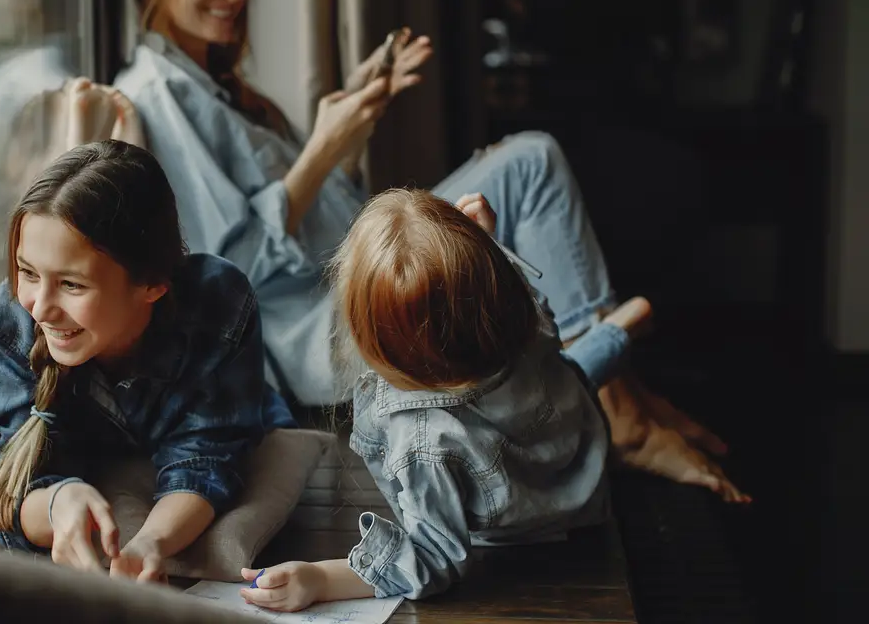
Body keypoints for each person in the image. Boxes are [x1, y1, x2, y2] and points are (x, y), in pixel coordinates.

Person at [94, 0, 741, 499]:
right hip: (331, 321)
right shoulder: (156, 98)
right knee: (529, 162)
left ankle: (622, 392)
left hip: (357, 264)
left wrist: (354, 124)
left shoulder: (218, 90)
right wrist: (322, 149)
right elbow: (234, 269)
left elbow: (315, 212)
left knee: (523, 163)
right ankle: (621, 406)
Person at [237, 190, 749, 612]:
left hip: (538, 514)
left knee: (572, 374)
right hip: (566, 432)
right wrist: (484, 247)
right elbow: (525, 307)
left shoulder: (424, 441)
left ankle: (616, 336)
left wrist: (321, 579)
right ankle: (617, 333)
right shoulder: (508, 323)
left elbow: (434, 556)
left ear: (372, 334)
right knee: (571, 369)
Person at [0, 139, 295, 581]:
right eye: (27, 272)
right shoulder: (13, 320)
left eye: (71, 284)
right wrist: (58, 503)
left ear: (152, 285)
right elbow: (6, 479)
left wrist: (149, 544)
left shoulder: (218, 302)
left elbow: (207, 455)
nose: (39, 308)